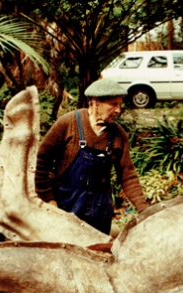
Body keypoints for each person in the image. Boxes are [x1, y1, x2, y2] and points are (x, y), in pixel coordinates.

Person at [35, 78, 149, 234]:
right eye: (113, 104)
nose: (118, 110)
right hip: (66, 205)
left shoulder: (118, 135)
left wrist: (143, 208)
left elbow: (127, 175)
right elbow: (40, 161)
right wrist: (49, 199)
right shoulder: (68, 123)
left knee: (97, 253)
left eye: (119, 104)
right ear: (96, 103)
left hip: (100, 209)